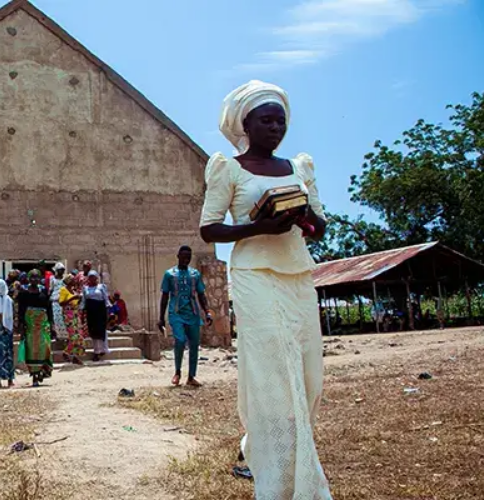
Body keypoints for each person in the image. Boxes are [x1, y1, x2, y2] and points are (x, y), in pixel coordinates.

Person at [200, 80, 331, 498]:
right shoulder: (229, 168)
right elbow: (210, 228)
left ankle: (266, 446)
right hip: (256, 275)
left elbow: (321, 228)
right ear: (246, 124)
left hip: (297, 275)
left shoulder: (300, 168)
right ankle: (281, 478)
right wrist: (258, 225)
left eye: (281, 120)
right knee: (274, 369)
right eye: (266, 120)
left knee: (308, 373)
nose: (276, 127)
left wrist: (303, 215)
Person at [159, 246, 214, 388]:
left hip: (193, 313)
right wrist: (161, 318)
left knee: (194, 344)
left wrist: (207, 311)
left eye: (188, 257)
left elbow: (201, 295)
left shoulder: (195, 274)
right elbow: (164, 296)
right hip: (176, 313)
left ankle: (191, 376)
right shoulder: (169, 274)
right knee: (180, 340)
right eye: (183, 256)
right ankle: (177, 372)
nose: (186, 259)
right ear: (178, 256)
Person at [18, 270, 55, 387]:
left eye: (37, 277)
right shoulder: (24, 294)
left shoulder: (44, 293)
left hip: (43, 327)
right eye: (32, 277)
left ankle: (43, 371)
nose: (34, 279)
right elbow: (21, 312)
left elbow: (49, 310)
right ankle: (34, 375)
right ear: (28, 279)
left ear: (40, 279)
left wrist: (52, 324)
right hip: (30, 328)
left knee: (45, 349)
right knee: (32, 352)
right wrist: (21, 327)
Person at [83, 271, 111, 362]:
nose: (91, 279)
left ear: (96, 278)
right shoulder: (85, 288)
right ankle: (97, 350)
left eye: (93, 277)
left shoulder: (101, 287)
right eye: (90, 277)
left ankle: (102, 350)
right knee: (93, 331)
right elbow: (83, 301)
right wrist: (82, 310)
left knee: (101, 330)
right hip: (90, 311)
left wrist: (108, 311)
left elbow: (106, 299)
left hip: (100, 310)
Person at [59, 275, 85, 365]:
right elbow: (61, 303)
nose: (75, 281)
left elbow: (76, 303)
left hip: (75, 313)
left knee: (79, 335)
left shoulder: (74, 291)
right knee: (73, 335)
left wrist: (79, 300)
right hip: (68, 314)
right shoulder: (63, 290)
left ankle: (75, 356)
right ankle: (66, 352)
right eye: (74, 280)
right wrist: (73, 298)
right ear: (69, 281)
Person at [49, 263, 68, 341]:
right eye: (60, 270)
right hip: (55, 300)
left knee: (64, 318)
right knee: (56, 318)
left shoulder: (65, 279)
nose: (62, 271)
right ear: (57, 270)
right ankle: (58, 335)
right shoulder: (52, 278)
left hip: (64, 300)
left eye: (63, 270)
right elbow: (51, 289)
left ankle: (65, 335)